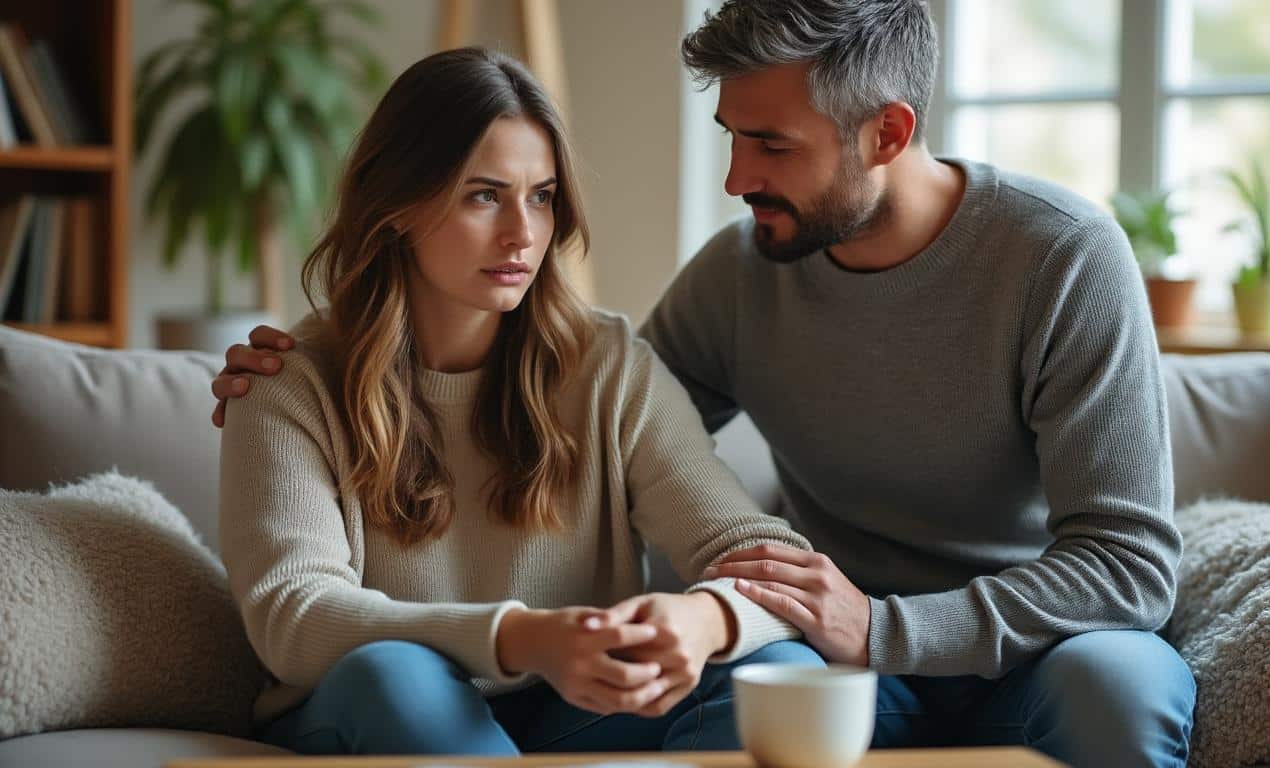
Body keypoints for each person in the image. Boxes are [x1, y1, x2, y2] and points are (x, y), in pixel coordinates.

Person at [213, 2, 1197, 765]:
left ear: (888, 134)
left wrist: (827, 623)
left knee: (1120, 686)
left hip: (1023, 646)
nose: (733, 178)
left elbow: (1129, 568)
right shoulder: (734, 278)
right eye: (733, 134)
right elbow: (643, 443)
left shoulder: (1060, 259)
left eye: (771, 145)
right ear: (398, 208)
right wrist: (297, 366)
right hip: (833, 661)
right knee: (771, 675)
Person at [215, 46, 822, 758]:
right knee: (394, 675)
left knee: (783, 674)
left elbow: (763, 560)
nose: (523, 234)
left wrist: (704, 620)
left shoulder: (609, 366)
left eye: (541, 195)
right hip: (376, 704)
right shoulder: (289, 383)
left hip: (570, 710)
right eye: (483, 194)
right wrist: (519, 637)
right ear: (400, 206)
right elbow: (296, 619)